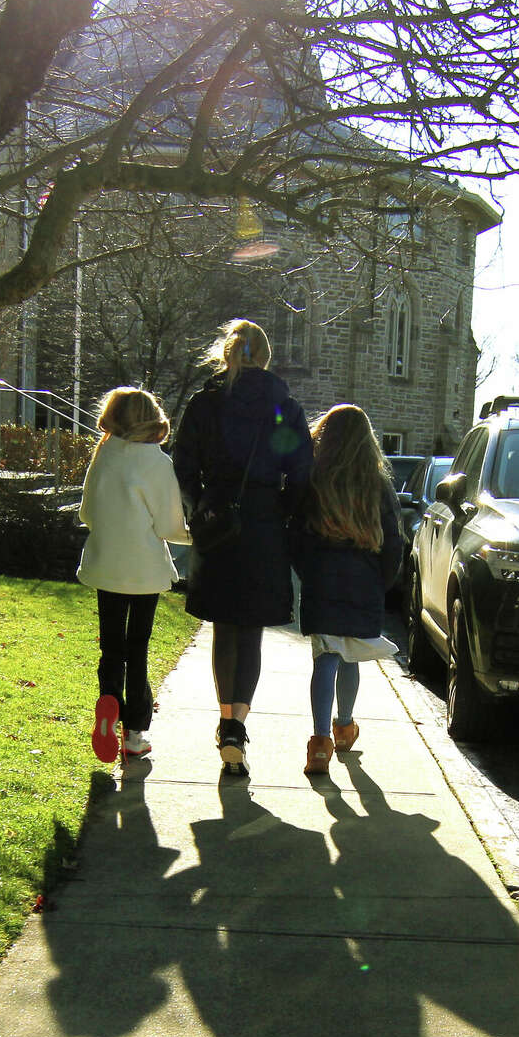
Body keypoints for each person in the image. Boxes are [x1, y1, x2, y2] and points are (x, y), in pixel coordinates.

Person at [172, 319, 313, 775]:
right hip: (263, 522)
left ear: (226, 355)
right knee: (249, 628)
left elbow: (184, 464)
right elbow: (302, 470)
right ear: (265, 356)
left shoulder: (205, 402)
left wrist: (199, 507)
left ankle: (227, 720)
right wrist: (282, 511)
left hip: (217, 519)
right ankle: (239, 725)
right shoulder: (283, 405)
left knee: (223, 626)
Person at [77, 386, 191, 763]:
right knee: (138, 648)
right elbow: (170, 526)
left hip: (106, 565)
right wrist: (198, 536)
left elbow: (87, 514)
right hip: (144, 571)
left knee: (111, 645)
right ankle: (135, 734)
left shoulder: (104, 456)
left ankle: (109, 700)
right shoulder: (156, 463)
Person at [290, 404, 403, 775]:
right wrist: (383, 582)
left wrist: (307, 572)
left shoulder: (314, 478)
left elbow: (297, 535)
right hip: (365, 579)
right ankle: (345, 726)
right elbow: (393, 541)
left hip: (322, 578)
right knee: (351, 653)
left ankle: (319, 741)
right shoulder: (378, 483)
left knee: (325, 656)